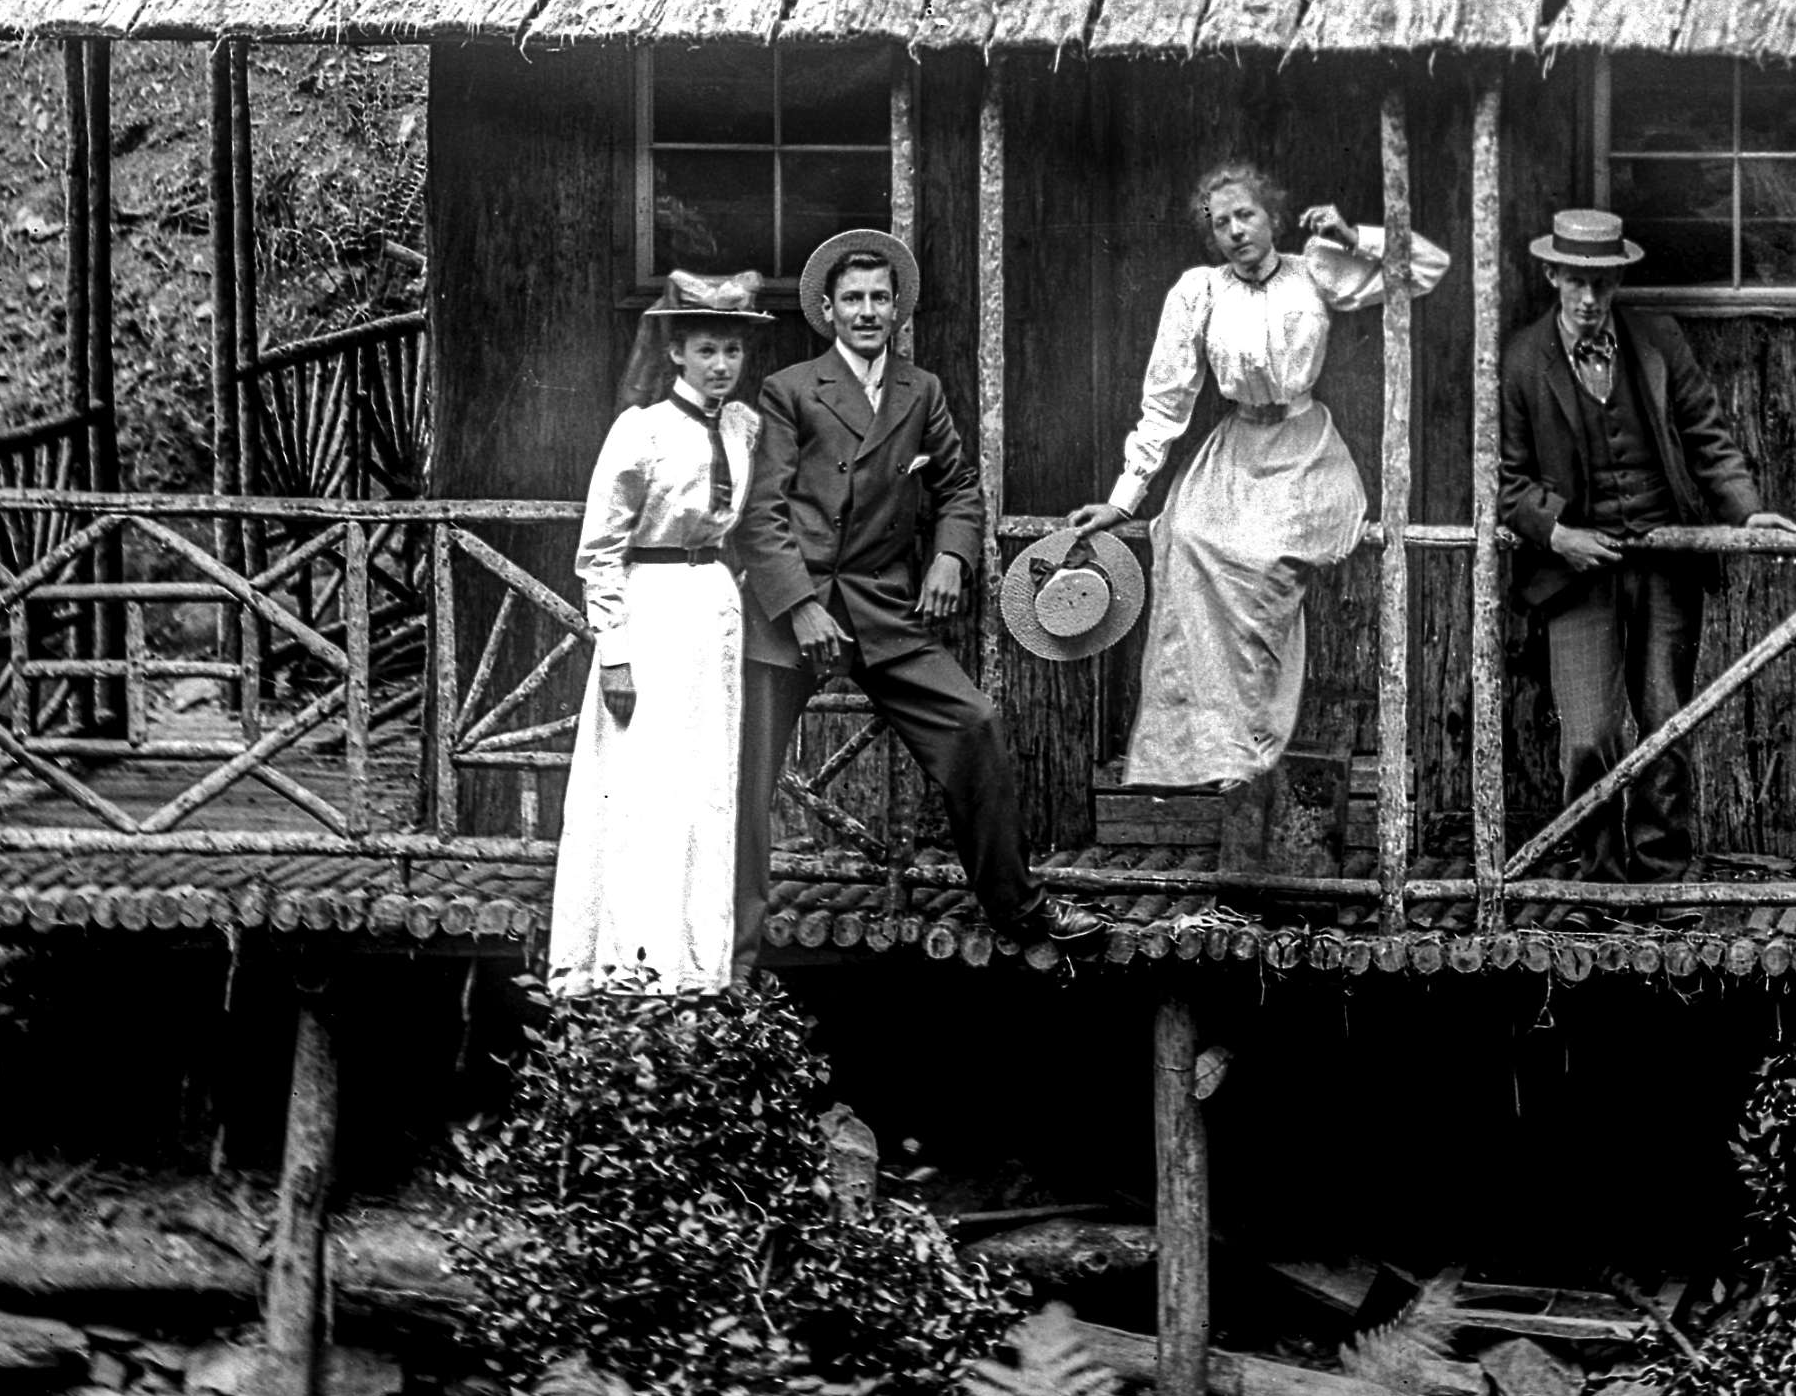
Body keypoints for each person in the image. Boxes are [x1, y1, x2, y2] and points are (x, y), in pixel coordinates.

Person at [1060, 161, 1447, 884]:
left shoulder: (1318, 272)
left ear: (1273, 215)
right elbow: (1165, 403)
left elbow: (1425, 266)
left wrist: (1352, 233)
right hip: (1235, 447)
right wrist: (1125, 495)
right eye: (1219, 222)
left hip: (1303, 449)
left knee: (1266, 561)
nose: (1234, 231)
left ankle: (1261, 739)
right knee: (1185, 538)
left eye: (1245, 216)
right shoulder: (1197, 293)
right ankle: (1216, 751)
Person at [728, 229, 1104, 959]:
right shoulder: (790, 390)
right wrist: (799, 604)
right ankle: (731, 935)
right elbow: (761, 513)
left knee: (974, 724)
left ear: (897, 308)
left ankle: (1018, 908)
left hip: (881, 608)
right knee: (748, 775)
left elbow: (958, 486)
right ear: (829, 312)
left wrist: (951, 556)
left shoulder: (919, 390)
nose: (867, 311)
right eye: (852, 300)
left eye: (879, 298)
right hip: (789, 613)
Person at [1494, 207, 1795, 885]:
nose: (1590, 298)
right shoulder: (1521, 361)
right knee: (1589, 737)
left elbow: (1708, 436)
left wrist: (1745, 514)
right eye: (1576, 281)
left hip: (1664, 561)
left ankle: (1660, 874)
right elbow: (1505, 482)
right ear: (1552, 275)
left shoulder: (1658, 341)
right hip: (1575, 572)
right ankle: (1600, 877)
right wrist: (1558, 533)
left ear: (1620, 280)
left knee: (1665, 723)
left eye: (1602, 283)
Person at [545, 271, 770, 993]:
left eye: (732, 350)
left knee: (706, 786)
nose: (721, 365)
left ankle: (698, 967)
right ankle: (627, 967)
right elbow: (599, 552)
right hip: (652, 609)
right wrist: (614, 652)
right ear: (675, 350)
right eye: (707, 349)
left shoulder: (744, 427)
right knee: (644, 788)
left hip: (714, 610)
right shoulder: (640, 432)